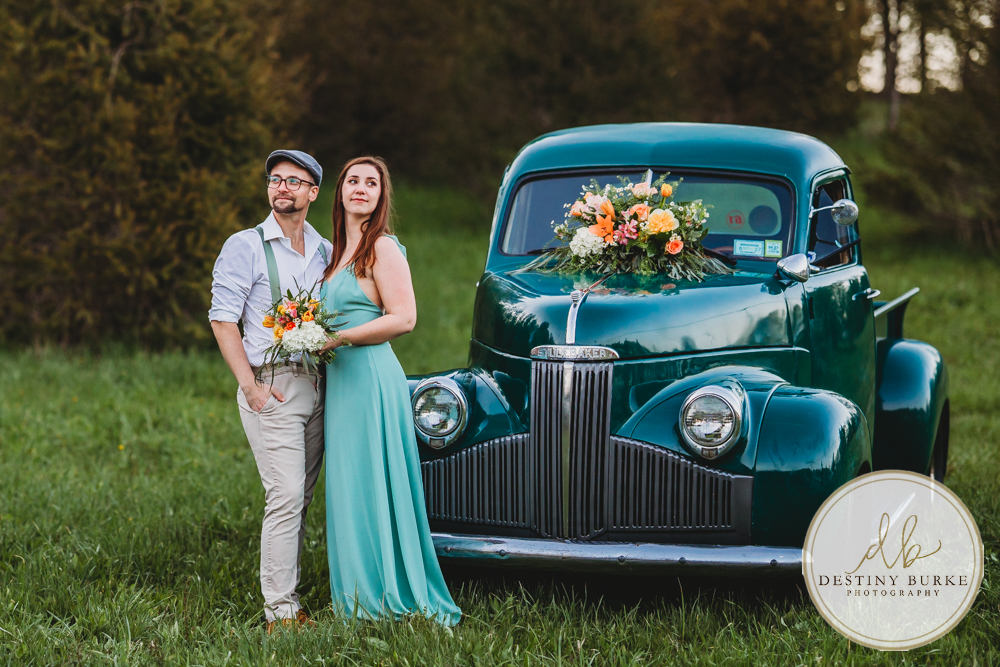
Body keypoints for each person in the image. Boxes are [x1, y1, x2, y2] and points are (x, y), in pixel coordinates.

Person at [319, 157, 461, 626]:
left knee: (373, 481)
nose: (361, 188)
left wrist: (340, 338)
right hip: (340, 383)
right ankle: (355, 593)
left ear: (382, 196)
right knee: (349, 485)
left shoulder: (381, 247)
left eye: (371, 183)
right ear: (340, 192)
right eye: (353, 181)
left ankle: (384, 592)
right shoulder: (337, 252)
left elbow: (404, 318)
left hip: (370, 378)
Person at [209, 150, 333, 633]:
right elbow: (223, 319)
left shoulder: (324, 249)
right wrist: (252, 389)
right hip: (271, 384)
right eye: (276, 180)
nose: (283, 188)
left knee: (299, 497)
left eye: (294, 181)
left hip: (317, 384)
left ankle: (290, 591)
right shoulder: (245, 245)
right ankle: (279, 611)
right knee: (284, 494)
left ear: (312, 192)